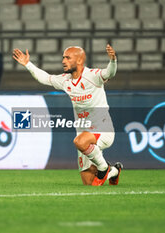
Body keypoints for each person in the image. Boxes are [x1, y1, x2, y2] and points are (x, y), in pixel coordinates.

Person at [13, 45, 123, 186]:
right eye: (63, 57)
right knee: (89, 183)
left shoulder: (93, 76)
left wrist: (113, 60)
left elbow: (109, 73)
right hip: (84, 132)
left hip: (103, 129)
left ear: (79, 60)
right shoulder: (65, 80)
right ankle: (114, 171)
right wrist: (28, 64)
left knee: (79, 142)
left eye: (67, 57)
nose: (63, 61)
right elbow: (45, 78)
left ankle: (104, 168)